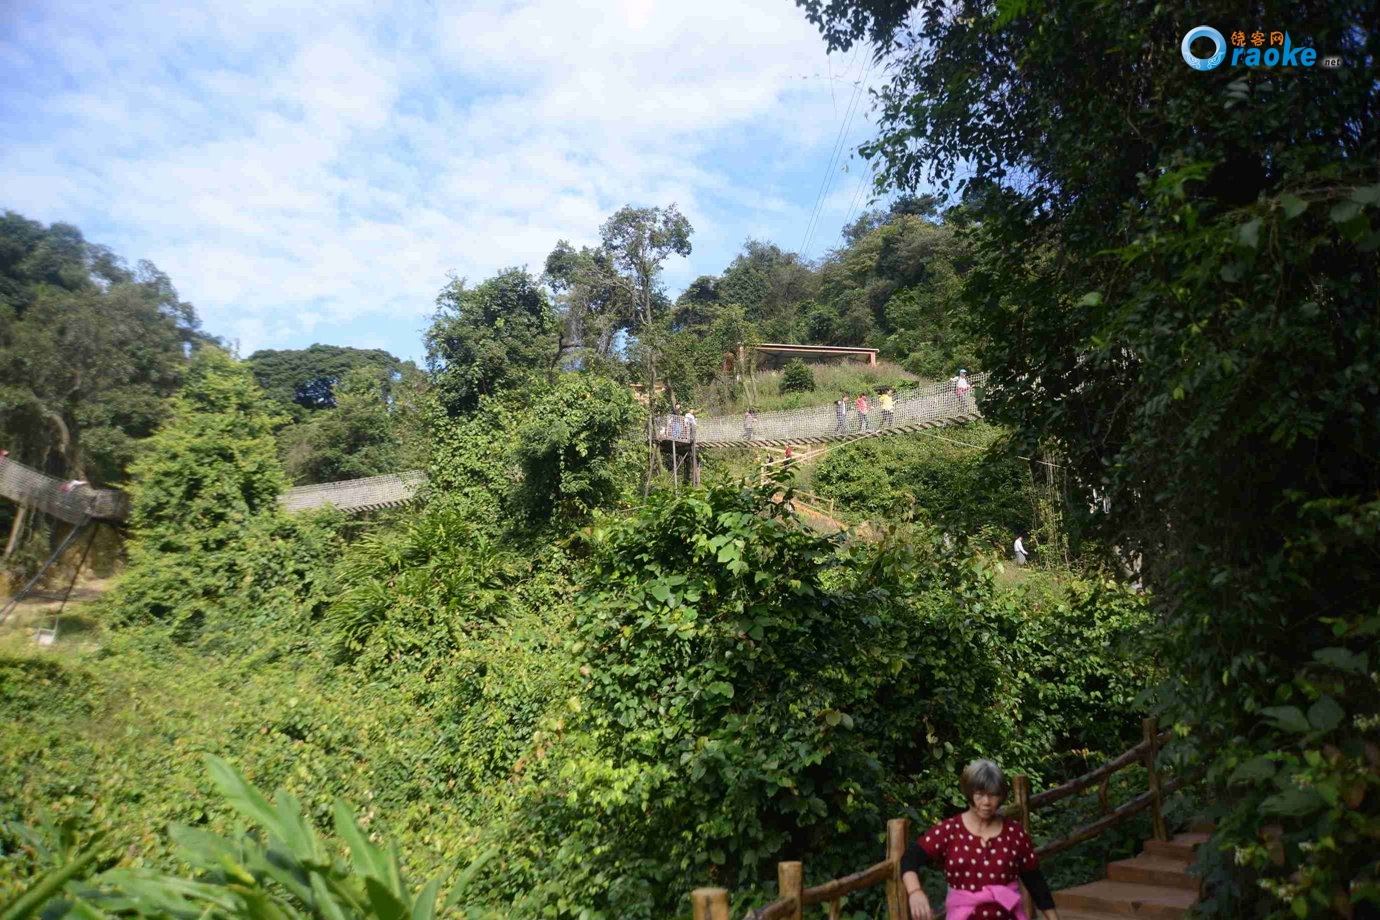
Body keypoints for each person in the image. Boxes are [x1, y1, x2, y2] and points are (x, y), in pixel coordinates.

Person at [902, 760, 1060, 920]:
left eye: (993, 795)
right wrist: (915, 892)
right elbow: (909, 858)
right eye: (980, 794)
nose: (986, 802)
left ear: (1001, 796)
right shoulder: (950, 830)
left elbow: (1034, 880)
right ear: (969, 794)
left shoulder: (1015, 833)